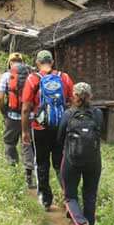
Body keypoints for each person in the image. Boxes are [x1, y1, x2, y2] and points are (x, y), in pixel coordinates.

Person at [20, 50, 74, 211]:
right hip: (60, 127)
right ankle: (69, 198)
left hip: (40, 127)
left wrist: (25, 131)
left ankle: (45, 199)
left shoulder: (33, 79)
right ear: (52, 62)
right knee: (60, 163)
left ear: (37, 63)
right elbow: (72, 102)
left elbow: (25, 108)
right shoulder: (64, 78)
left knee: (41, 163)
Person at [57, 82, 104, 225]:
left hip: (72, 159)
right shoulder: (98, 114)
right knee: (90, 196)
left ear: (74, 96)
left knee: (70, 196)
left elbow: (60, 136)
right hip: (94, 160)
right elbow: (100, 133)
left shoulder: (69, 114)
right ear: (90, 96)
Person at [0, 52, 37, 188]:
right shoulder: (32, 76)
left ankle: (13, 170)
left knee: (9, 142)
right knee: (28, 145)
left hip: (12, 116)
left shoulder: (7, 76)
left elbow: (0, 98)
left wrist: (4, 113)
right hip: (29, 118)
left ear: (10, 63)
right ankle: (29, 177)